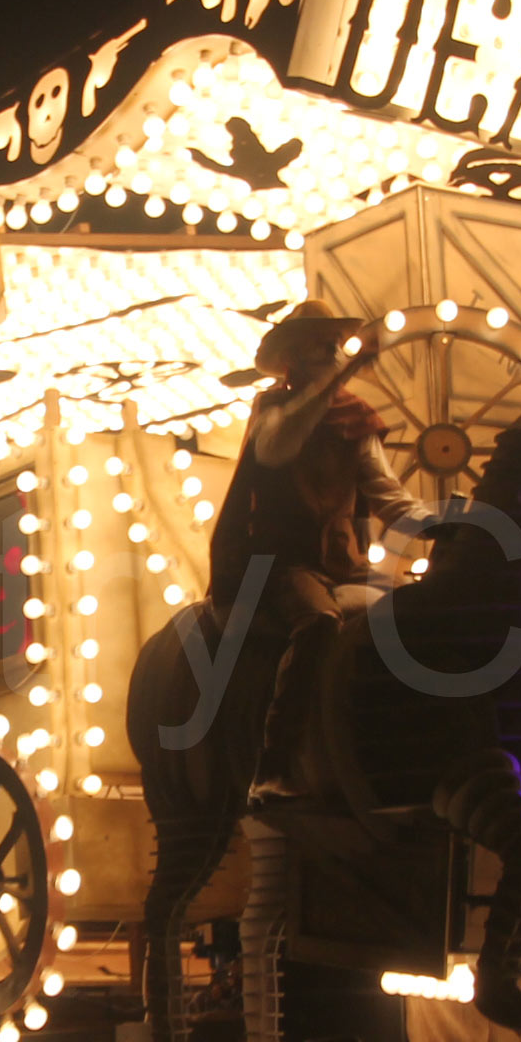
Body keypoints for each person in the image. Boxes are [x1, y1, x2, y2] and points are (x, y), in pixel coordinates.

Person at [207, 301, 418, 799]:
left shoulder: (354, 418)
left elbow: (387, 494)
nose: (330, 349)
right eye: (319, 342)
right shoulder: (272, 411)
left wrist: (449, 524)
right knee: (319, 622)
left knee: (412, 613)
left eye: (334, 341)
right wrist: (337, 377)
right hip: (280, 563)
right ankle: (275, 764)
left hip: (344, 564)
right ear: (293, 356)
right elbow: (278, 449)